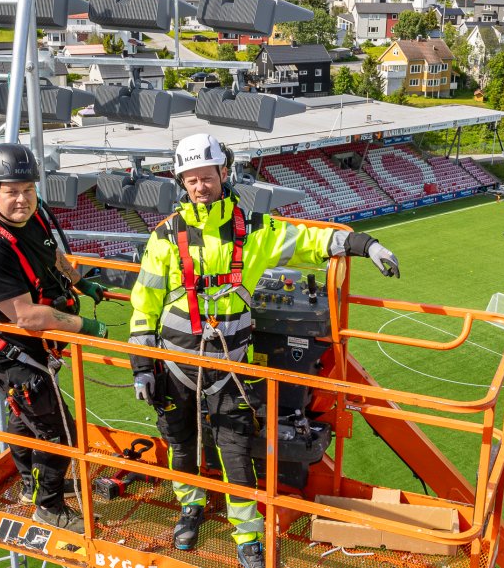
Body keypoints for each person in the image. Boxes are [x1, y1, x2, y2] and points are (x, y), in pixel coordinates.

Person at [128, 134, 401, 568]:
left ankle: (247, 536)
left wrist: (365, 244)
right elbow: (144, 304)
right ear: (182, 183)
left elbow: (312, 240)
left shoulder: (256, 229)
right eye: (191, 179)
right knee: (181, 444)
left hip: (229, 366)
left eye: (207, 177)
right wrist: (142, 365)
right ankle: (190, 508)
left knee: (236, 452)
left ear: (224, 174)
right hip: (174, 363)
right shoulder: (164, 238)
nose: (200, 187)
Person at [0, 143, 109, 533]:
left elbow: (50, 252)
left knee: (26, 421)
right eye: (12, 191)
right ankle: (49, 505)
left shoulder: (30, 220)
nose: (21, 199)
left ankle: (29, 486)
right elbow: (26, 315)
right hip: (12, 353)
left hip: (29, 351)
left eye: (27, 190)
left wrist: (79, 282)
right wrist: (86, 327)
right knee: (59, 433)